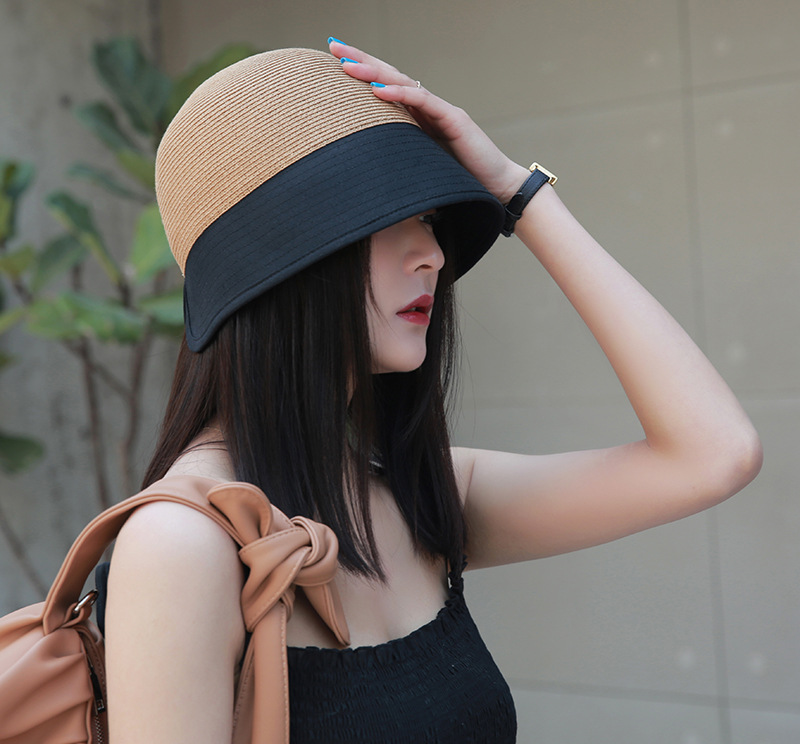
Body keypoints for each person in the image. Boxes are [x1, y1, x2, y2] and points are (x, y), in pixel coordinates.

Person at [101, 40, 762, 743]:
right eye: (389, 219)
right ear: (283, 259)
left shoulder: (416, 494)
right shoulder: (183, 546)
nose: (435, 256)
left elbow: (715, 454)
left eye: (429, 219)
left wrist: (518, 193)